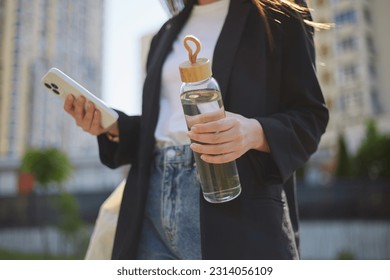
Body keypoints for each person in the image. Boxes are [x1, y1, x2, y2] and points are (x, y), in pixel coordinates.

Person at [64, 0, 329, 260]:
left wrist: (253, 132)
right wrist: (112, 125)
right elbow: (161, 128)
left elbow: (310, 117)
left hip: (236, 208)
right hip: (151, 205)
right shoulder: (166, 33)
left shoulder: (278, 13)